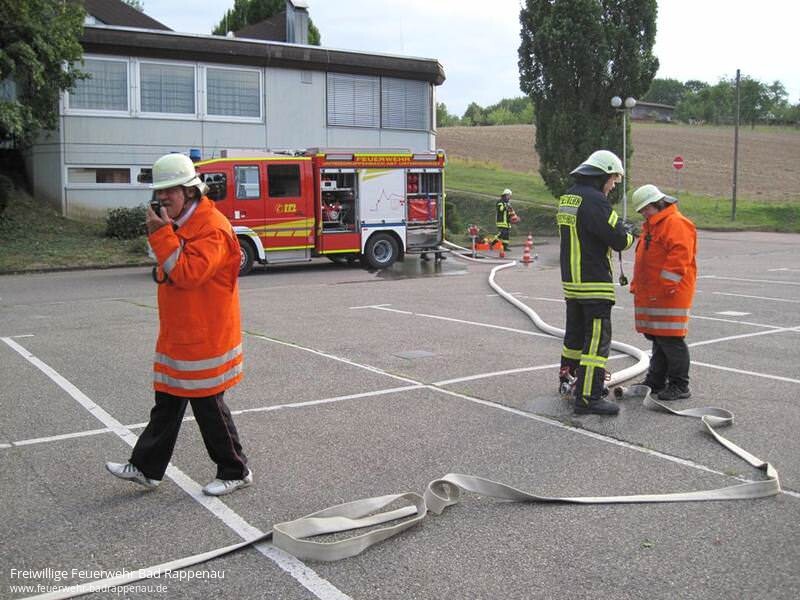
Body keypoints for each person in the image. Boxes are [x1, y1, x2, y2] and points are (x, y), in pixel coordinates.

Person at [106, 153, 252, 496]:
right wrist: (163, 234)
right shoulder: (181, 223)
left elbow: (187, 274)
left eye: (170, 190)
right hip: (182, 334)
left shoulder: (212, 228)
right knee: (167, 404)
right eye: (160, 191)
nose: (163, 197)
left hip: (206, 339)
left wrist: (160, 234)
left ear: (189, 191)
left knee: (209, 408)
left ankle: (236, 471)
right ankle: (146, 469)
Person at [557, 150, 635, 415]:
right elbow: (619, 239)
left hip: (572, 282)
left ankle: (569, 382)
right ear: (602, 175)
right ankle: (588, 397)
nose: (613, 186)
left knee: (574, 338)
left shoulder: (568, 197)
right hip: (594, 283)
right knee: (595, 344)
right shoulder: (596, 201)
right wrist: (630, 233)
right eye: (613, 180)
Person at [630, 184, 697, 401]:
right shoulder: (655, 225)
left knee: (671, 340)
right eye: (641, 211)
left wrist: (667, 284)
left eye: (645, 209)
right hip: (658, 293)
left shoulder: (675, 223)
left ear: (657, 204)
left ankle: (679, 385)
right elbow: (646, 261)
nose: (643, 213)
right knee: (660, 338)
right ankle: (656, 381)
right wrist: (638, 285)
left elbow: (680, 255)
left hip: (670, 294)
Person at [490, 188, 515, 253]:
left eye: (510, 196)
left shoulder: (508, 203)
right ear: (505, 195)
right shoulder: (500, 202)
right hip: (501, 221)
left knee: (506, 234)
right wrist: (507, 206)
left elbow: (511, 211)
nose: (509, 197)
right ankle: (492, 242)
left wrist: (514, 216)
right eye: (508, 195)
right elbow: (500, 209)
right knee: (502, 233)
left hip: (507, 221)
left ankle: (505, 247)